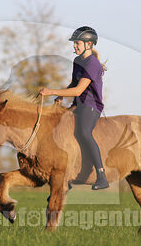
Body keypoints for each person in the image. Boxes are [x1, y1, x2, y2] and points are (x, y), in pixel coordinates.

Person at [39, 26, 109, 190]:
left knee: (84, 132)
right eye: (74, 43)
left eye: (77, 43)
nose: (74, 46)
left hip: (91, 107)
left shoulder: (92, 63)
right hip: (78, 105)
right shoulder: (77, 61)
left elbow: (79, 90)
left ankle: (101, 175)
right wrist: (61, 94)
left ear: (89, 44)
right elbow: (74, 84)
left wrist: (51, 91)